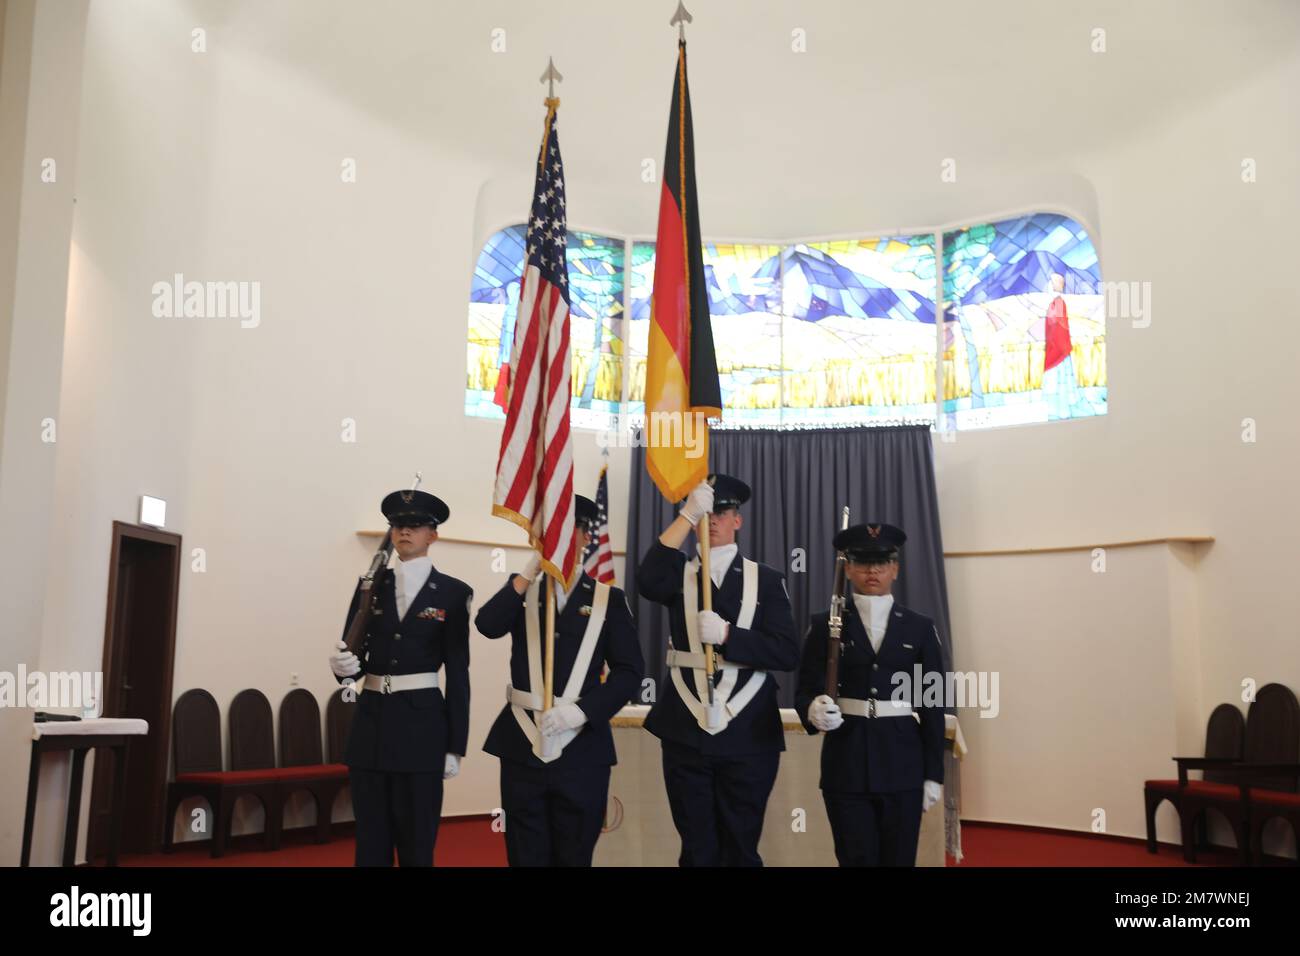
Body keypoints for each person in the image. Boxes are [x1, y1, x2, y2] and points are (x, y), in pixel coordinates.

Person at [637, 473, 799, 866]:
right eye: (707, 512)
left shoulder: (768, 580)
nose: (713, 520)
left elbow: (786, 652)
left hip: (748, 731)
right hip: (686, 728)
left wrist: (730, 635)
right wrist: (687, 515)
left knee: (740, 847)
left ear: (737, 520)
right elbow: (646, 579)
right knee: (696, 848)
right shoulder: (678, 573)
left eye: (721, 512)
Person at [473, 495, 643, 866]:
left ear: (585, 537)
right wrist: (531, 569)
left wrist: (582, 713)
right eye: (551, 535)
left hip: (583, 749)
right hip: (522, 744)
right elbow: (487, 625)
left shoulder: (607, 600)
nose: (562, 542)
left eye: (571, 532)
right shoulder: (521, 591)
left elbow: (630, 672)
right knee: (525, 853)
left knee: (574, 855)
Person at [328, 487, 471, 866]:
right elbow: (352, 653)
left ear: (433, 534)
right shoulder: (371, 585)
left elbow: (458, 673)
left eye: (416, 525)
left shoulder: (454, 594)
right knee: (371, 842)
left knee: (416, 842)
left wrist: (455, 744)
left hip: (422, 729)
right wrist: (343, 671)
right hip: (372, 726)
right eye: (398, 525)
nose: (405, 531)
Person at [795, 522, 945, 866]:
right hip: (846, 763)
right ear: (848, 569)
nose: (872, 570)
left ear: (895, 568)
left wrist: (933, 773)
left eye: (881, 562)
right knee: (855, 858)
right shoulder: (825, 624)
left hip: (903, 764)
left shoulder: (920, 627)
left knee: (899, 859)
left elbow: (933, 704)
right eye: (862, 562)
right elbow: (804, 689)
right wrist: (811, 709)